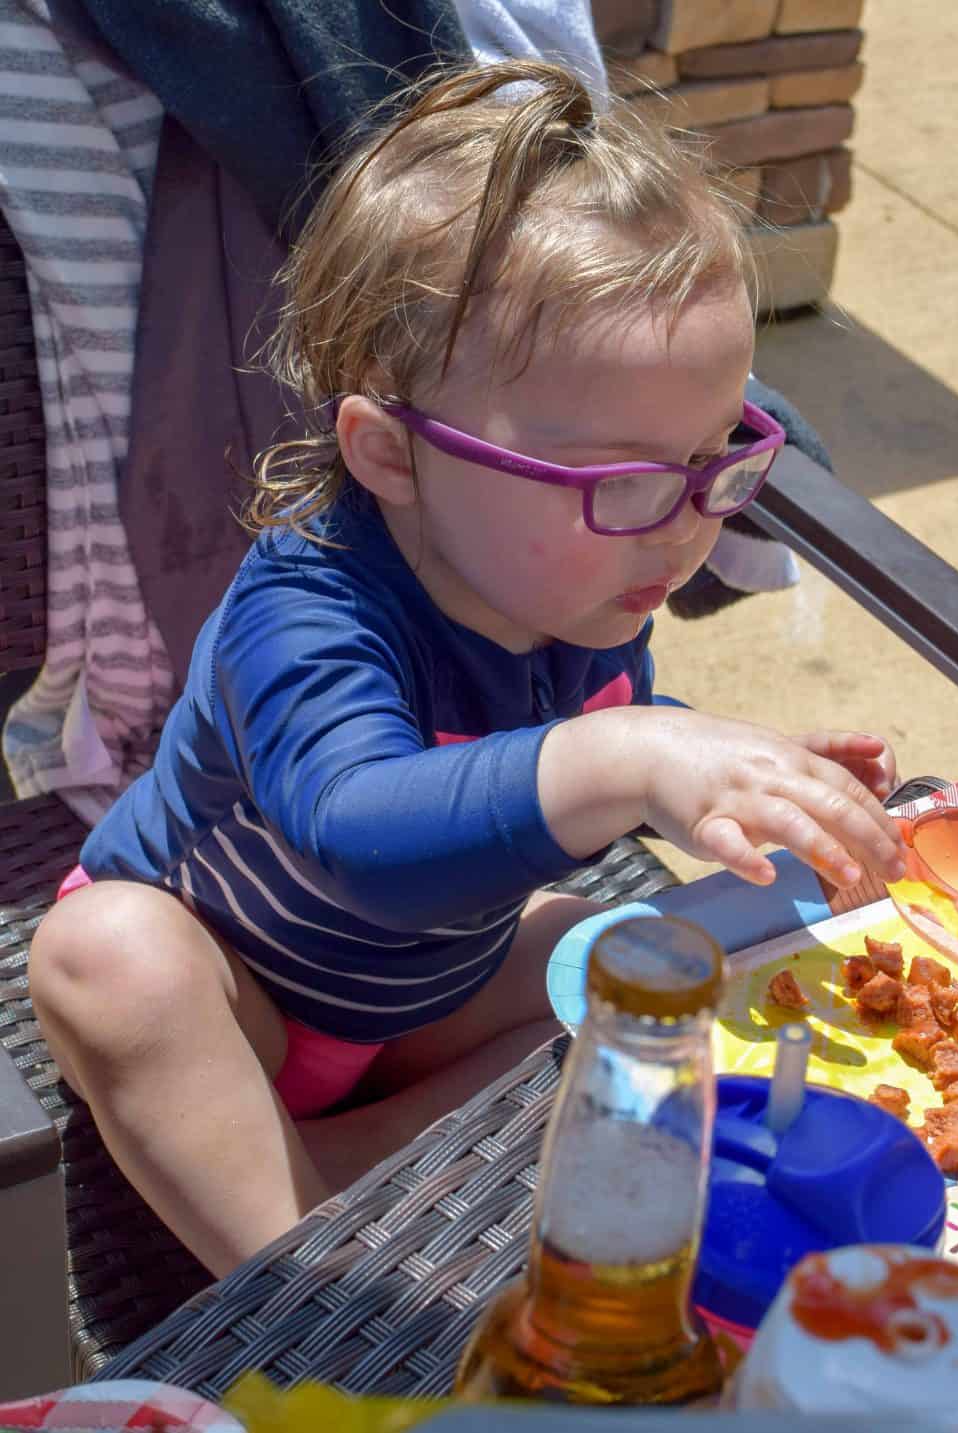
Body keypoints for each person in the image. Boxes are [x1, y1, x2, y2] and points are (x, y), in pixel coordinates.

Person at [28, 61, 906, 1278]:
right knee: (108, 956)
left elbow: (606, 722)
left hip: (425, 992)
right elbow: (360, 830)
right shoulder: (305, 611)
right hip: (237, 1001)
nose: (685, 525)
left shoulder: (581, 581)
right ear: (391, 453)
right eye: (621, 480)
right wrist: (626, 755)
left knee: (646, 947)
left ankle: (358, 1152)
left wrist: (726, 771)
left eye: (716, 458)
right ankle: (294, 1261)